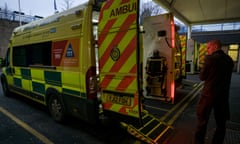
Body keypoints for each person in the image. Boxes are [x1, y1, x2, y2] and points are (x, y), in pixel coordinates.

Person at [194, 39, 234, 144]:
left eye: (208, 47)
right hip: (223, 96)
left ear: (215, 46)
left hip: (208, 95)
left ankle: (199, 141)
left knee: (202, 120)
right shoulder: (229, 60)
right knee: (221, 123)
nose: (207, 50)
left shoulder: (210, 59)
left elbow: (202, 77)